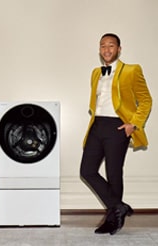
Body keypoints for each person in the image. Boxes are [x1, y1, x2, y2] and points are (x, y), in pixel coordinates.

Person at [80, 33, 152, 235]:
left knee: (113, 173)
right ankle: (118, 206)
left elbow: (146, 100)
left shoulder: (132, 70)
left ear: (119, 49)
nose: (106, 49)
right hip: (97, 125)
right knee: (87, 170)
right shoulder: (96, 72)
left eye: (111, 46)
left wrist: (133, 124)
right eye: (103, 46)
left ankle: (113, 220)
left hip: (118, 127)